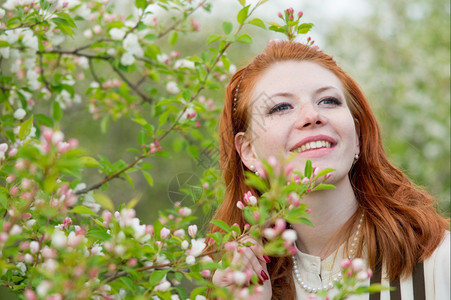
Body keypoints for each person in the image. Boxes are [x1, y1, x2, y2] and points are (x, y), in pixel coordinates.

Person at [210, 41, 450, 299]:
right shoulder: (241, 282)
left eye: (328, 100)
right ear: (248, 151)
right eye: (281, 107)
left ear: (356, 135)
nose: (312, 115)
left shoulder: (438, 261)